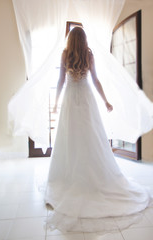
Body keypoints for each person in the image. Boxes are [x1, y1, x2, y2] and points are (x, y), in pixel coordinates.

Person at [45, 27, 152, 232]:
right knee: (90, 138)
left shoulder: (65, 54)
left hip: (70, 98)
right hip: (86, 99)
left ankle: (70, 178)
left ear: (70, 39)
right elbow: (94, 81)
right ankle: (92, 177)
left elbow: (60, 81)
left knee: (71, 139)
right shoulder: (89, 54)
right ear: (83, 39)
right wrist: (105, 101)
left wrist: (56, 103)